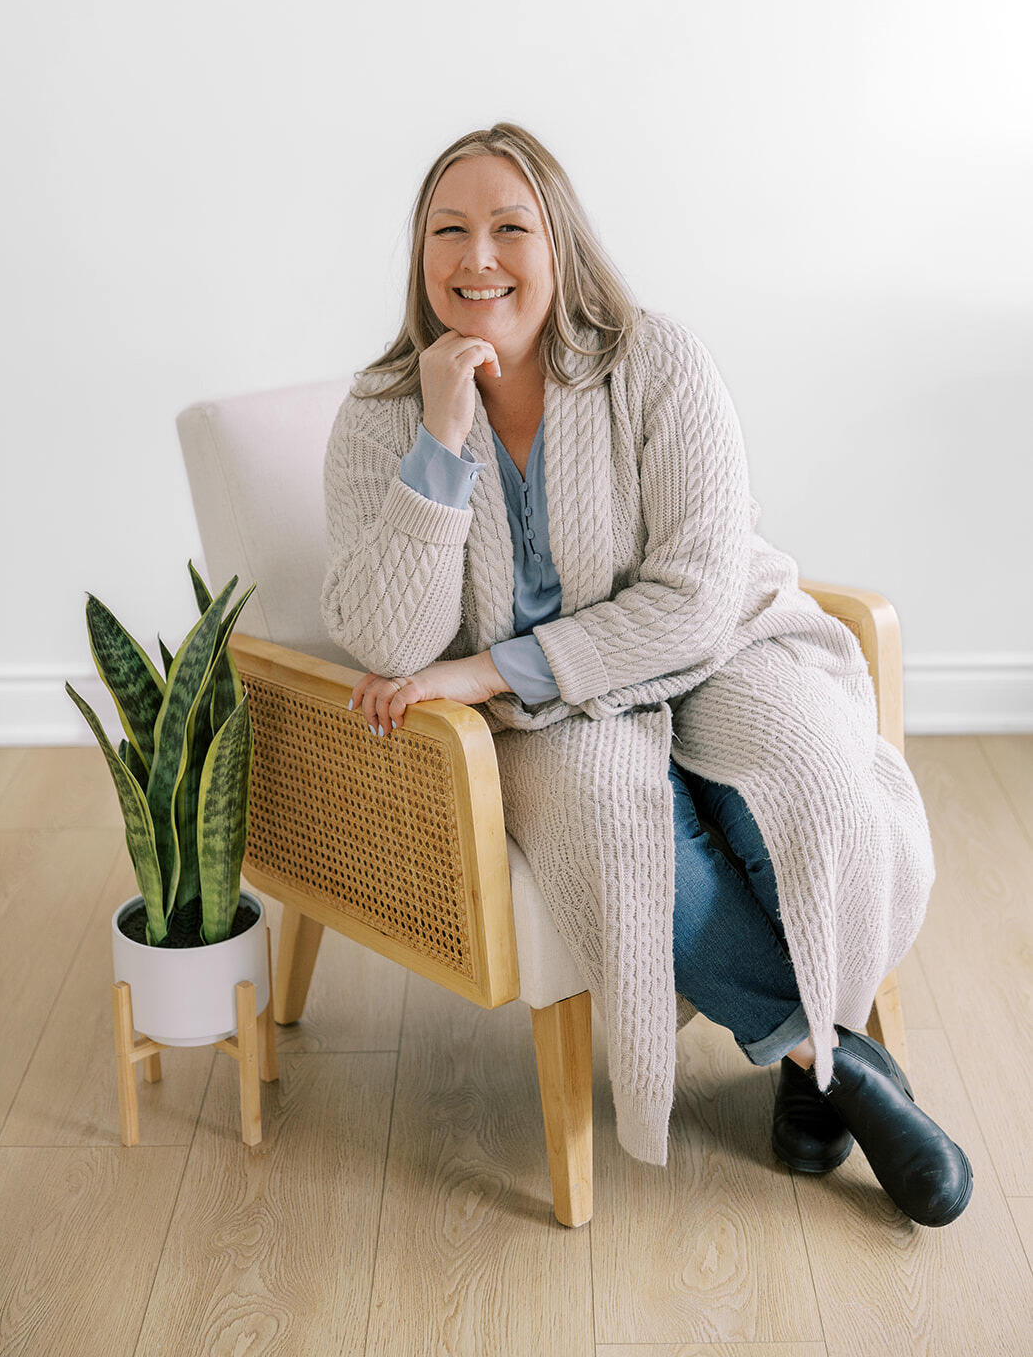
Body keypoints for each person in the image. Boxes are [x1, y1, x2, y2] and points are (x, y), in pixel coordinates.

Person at [322, 122, 972, 1227]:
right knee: (625, 835)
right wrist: (438, 443)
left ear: (558, 244)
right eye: (449, 231)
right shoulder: (377, 416)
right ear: (419, 256)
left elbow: (697, 595)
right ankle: (831, 1064)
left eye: (508, 227)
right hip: (543, 719)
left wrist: (488, 667)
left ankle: (821, 1046)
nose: (477, 257)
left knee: (808, 783)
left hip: (715, 647)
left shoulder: (654, 360)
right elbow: (389, 644)